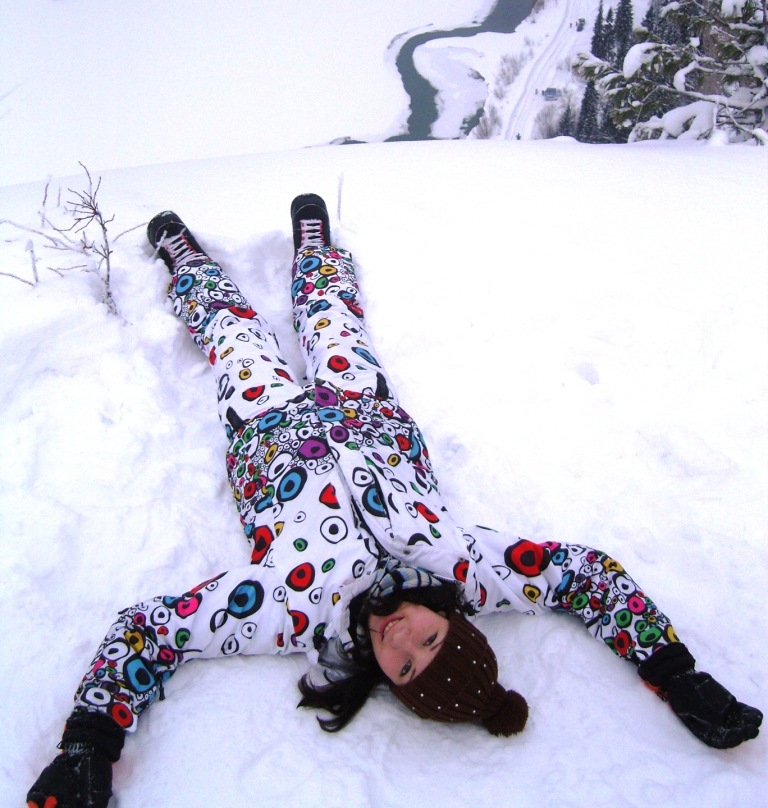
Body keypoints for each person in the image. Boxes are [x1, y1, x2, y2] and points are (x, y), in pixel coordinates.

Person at [27, 195, 762, 808]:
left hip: (267, 426)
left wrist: (90, 744)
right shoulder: (469, 569)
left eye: (404, 666)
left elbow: (152, 631)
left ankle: (185, 260)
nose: (403, 638)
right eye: (431, 641)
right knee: (331, 318)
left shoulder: (292, 612)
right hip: (363, 407)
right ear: (453, 620)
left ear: (384, 678)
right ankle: (314, 246)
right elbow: (585, 576)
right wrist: (676, 672)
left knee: (235, 336)